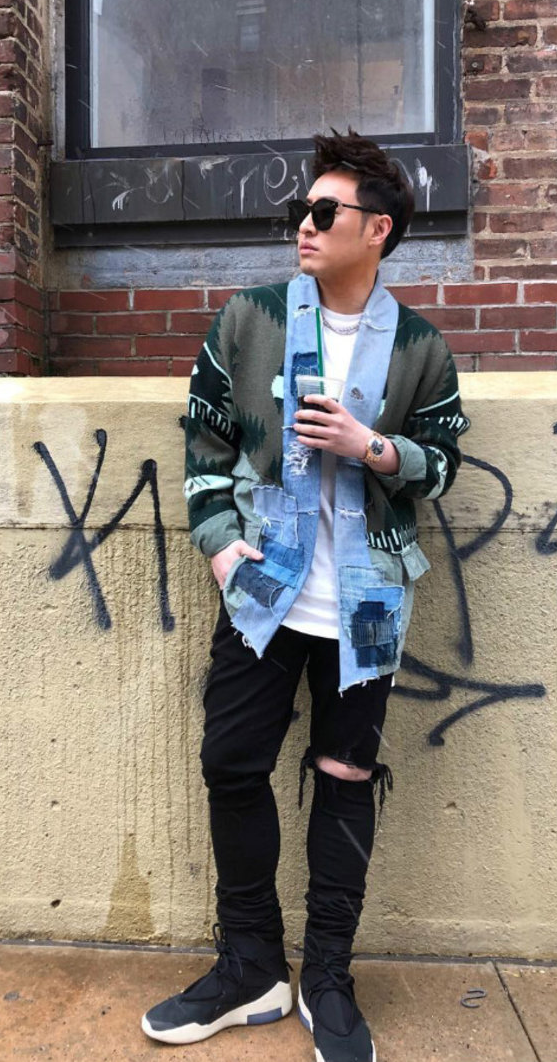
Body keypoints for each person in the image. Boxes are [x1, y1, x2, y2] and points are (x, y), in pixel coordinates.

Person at [141, 129, 470, 1062]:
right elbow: (205, 443)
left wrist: (374, 448)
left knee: (345, 776)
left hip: (365, 600)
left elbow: (444, 462)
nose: (305, 226)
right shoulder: (248, 320)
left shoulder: (420, 347)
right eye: (302, 209)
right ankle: (251, 966)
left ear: (380, 229)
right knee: (230, 762)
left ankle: (327, 975)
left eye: (325, 211)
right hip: (264, 590)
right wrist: (219, 549)